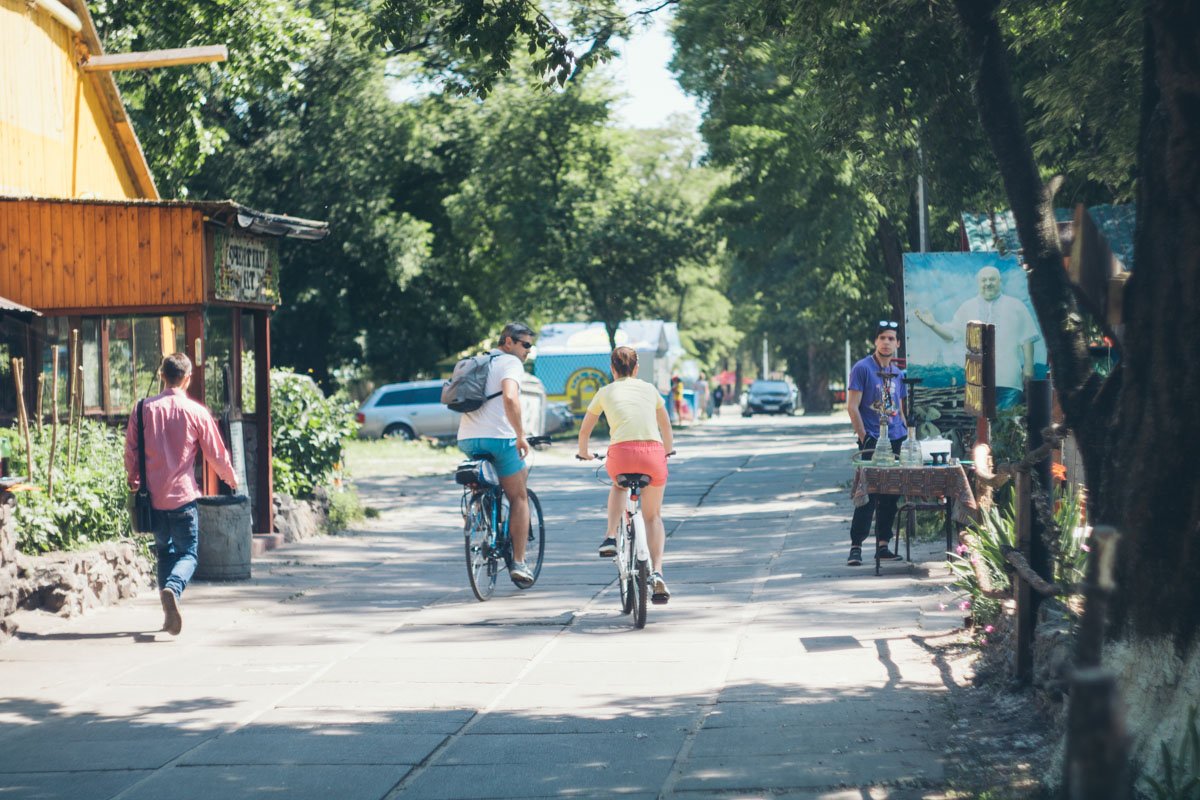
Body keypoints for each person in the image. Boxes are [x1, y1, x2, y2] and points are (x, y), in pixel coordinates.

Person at [124, 353, 237, 636]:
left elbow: (131, 451)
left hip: (153, 500)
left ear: (162, 375)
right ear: (188, 378)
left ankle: (168, 616)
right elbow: (216, 453)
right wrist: (230, 478)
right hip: (184, 499)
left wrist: (134, 479)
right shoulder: (196, 412)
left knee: (165, 553)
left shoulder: (142, 409)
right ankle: (173, 589)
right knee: (188, 554)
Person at [577, 346, 675, 603]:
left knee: (619, 486)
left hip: (621, 455)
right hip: (653, 455)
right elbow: (665, 425)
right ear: (636, 368)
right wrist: (667, 450)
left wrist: (584, 452)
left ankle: (610, 536)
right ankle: (657, 572)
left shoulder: (604, 392)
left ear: (612, 369)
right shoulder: (650, 389)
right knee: (653, 516)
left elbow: (585, 430)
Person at [457, 322, 538, 588]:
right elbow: (510, 398)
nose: (528, 350)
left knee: (488, 482)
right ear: (508, 341)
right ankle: (519, 562)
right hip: (499, 439)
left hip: (467, 439)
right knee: (519, 497)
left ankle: (482, 510)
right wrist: (520, 434)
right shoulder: (510, 363)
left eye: (530, 346)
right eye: (525, 344)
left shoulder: (479, 361)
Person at [913, 265, 1041, 408]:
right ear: (978, 283)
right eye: (984, 280)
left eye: (992, 279)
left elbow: (1027, 338)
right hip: (976, 381)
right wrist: (933, 325)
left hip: (1008, 380)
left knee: (1007, 420)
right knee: (979, 422)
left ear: (1000, 281)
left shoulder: (1016, 306)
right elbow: (951, 335)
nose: (988, 283)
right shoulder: (967, 307)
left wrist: (1028, 367)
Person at [845, 321, 908, 567]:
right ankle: (856, 547)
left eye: (891, 338)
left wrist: (906, 435)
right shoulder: (862, 368)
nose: (886, 342)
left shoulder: (898, 373)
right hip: (872, 438)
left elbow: (900, 409)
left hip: (896, 438)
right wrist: (864, 438)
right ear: (875, 341)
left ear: (898, 343)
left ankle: (883, 545)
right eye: (882, 338)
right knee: (867, 493)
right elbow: (852, 407)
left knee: (891, 493)